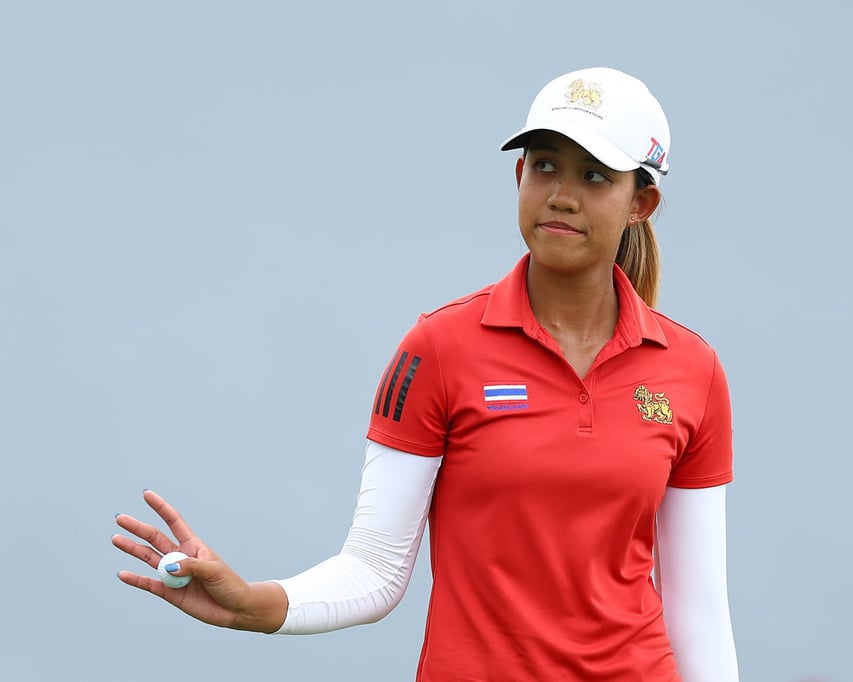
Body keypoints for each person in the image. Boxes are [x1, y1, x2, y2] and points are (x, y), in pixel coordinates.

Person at [113, 66, 740, 681]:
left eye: (595, 176)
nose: (561, 194)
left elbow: (698, 614)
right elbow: (376, 570)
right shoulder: (438, 349)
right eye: (544, 165)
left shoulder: (691, 371)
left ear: (642, 203)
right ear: (520, 174)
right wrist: (255, 602)